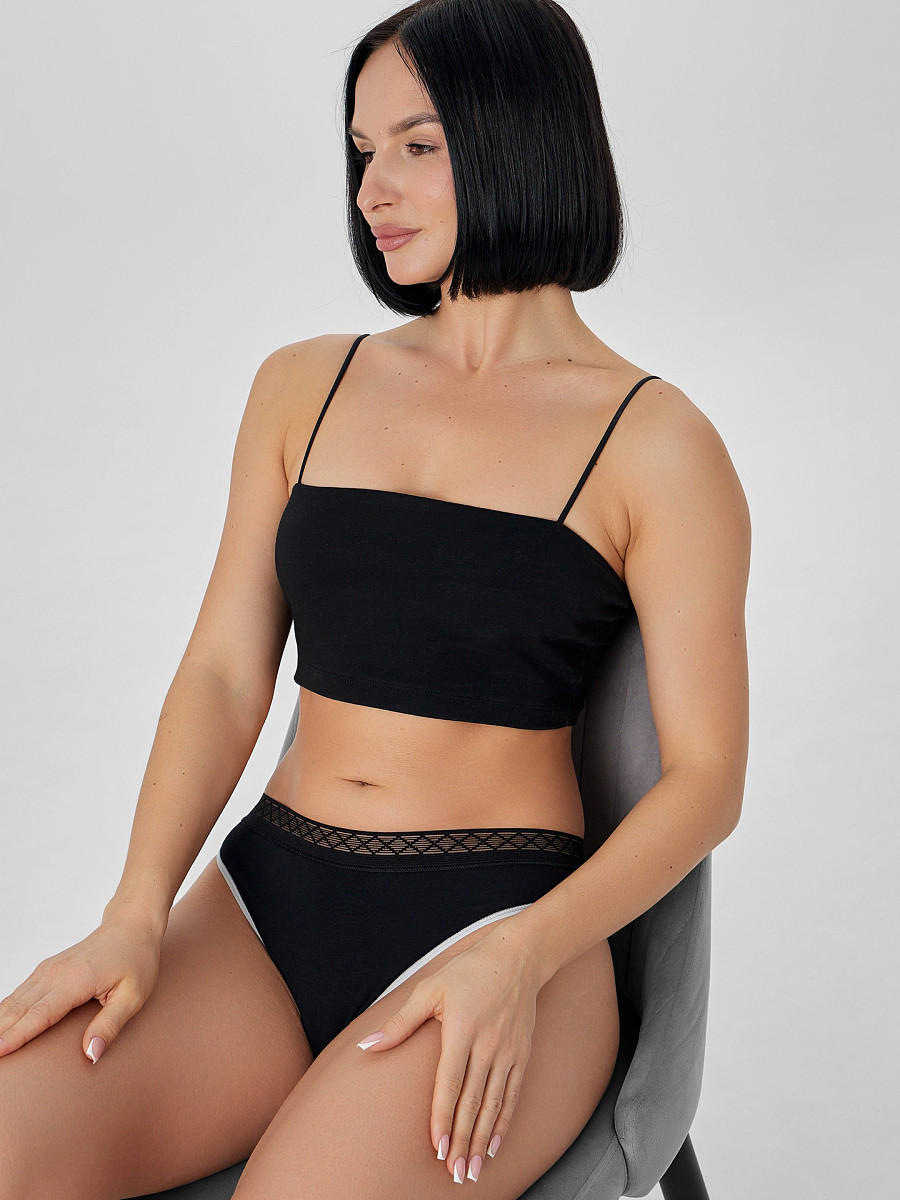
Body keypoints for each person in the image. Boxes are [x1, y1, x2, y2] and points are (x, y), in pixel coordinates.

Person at [0, 0, 750, 1195]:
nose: (371, 190)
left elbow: (705, 781)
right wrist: (134, 912)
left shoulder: (658, 444)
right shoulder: (303, 386)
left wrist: (528, 954)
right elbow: (223, 673)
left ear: (519, 137)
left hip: (501, 925)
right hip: (261, 910)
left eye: (417, 144)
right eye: (361, 150)